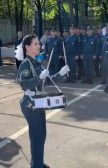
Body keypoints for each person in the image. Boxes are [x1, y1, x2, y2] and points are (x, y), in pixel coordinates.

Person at [16, 34, 69, 168]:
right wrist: (39, 78)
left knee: (41, 136)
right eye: (35, 44)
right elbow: (23, 84)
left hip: (39, 101)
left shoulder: (36, 62)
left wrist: (61, 73)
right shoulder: (25, 64)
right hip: (30, 103)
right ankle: (37, 166)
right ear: (27, 47)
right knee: (37, 137)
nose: (39, 46)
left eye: (38, 43)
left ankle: (37, 162)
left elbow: (48, 80)